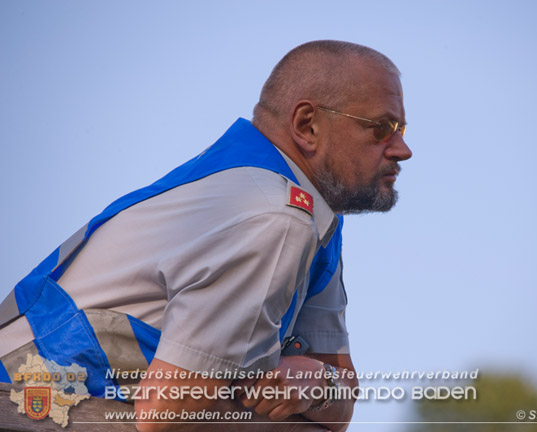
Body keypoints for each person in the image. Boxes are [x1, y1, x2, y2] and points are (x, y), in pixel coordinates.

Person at [0, 40, 412, 431]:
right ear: (307, 125)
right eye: (381, 128)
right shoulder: (272, 216)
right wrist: (298, 386)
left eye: (401, 130)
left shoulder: (307, 215)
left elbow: (339, 408)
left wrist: (320, 383)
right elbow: (167, 414)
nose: (401, 150)